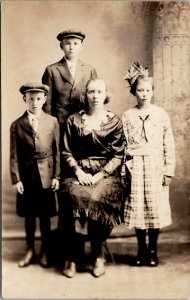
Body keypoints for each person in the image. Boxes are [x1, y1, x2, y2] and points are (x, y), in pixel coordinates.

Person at [58, 78, 125, 278]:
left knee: (96, 198)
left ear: (106, 94)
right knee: (75, 196)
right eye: (91, 92)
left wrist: (100, 174)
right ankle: (73, 256)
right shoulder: (74, 120)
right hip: (77, 172)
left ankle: (98, 254)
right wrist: (78, 171)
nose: (95, 96)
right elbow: (66, 151)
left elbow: (118, 155)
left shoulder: (114, 122)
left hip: (106, 174)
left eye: (99, 92)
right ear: (85, 94)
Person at [122, 62, 175, 267]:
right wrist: (124, 171)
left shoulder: (160, 114)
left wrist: (168, 170)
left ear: (152, 92)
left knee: (154, 207)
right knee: (138, 208)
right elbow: (123, 145)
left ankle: (153, 250)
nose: (144, 94)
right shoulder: (128, 115)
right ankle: (141, 249)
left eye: (147, 90)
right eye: (140, 90)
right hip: (135, 167)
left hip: (155, 166)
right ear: (134, 92)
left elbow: (167, 143)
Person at [10, 83, 60, 268]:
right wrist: (16, 179)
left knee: (45, 216)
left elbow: (57, 150)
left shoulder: (52, 121)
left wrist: (57, 176)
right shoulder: (17, 124)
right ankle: (30, 250)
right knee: (29, 216)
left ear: (44, 99)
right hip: (27, 176)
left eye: (39, 99)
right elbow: (14, 154)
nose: (35, 103)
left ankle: (45, 250)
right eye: (31, 99)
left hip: (47, 174)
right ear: (25, 100)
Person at [42, 29, 97, 126]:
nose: (71, 47)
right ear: (61, 46)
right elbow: (47, 103)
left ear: (81, 47)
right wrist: (49, 125)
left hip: (83, 121)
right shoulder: (52, 70)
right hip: (60, 121)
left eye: (75, 43)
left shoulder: (90, 70)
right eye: (67, 43)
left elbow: (95, 97)